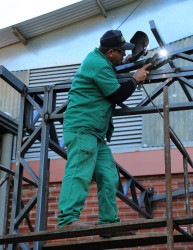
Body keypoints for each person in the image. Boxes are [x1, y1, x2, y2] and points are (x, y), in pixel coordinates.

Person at [57, 30, 150, 229]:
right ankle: (67, 219)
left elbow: (114, 72)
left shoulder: (103, 61)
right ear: (109, 53)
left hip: (95, 133)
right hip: (82, 129)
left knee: (109, 176)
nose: (122, 56)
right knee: (79, 171)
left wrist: (131, 63)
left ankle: (109, 225)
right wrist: (135, 78)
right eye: (120, 52)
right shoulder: (98, 65)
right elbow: (117, 95)